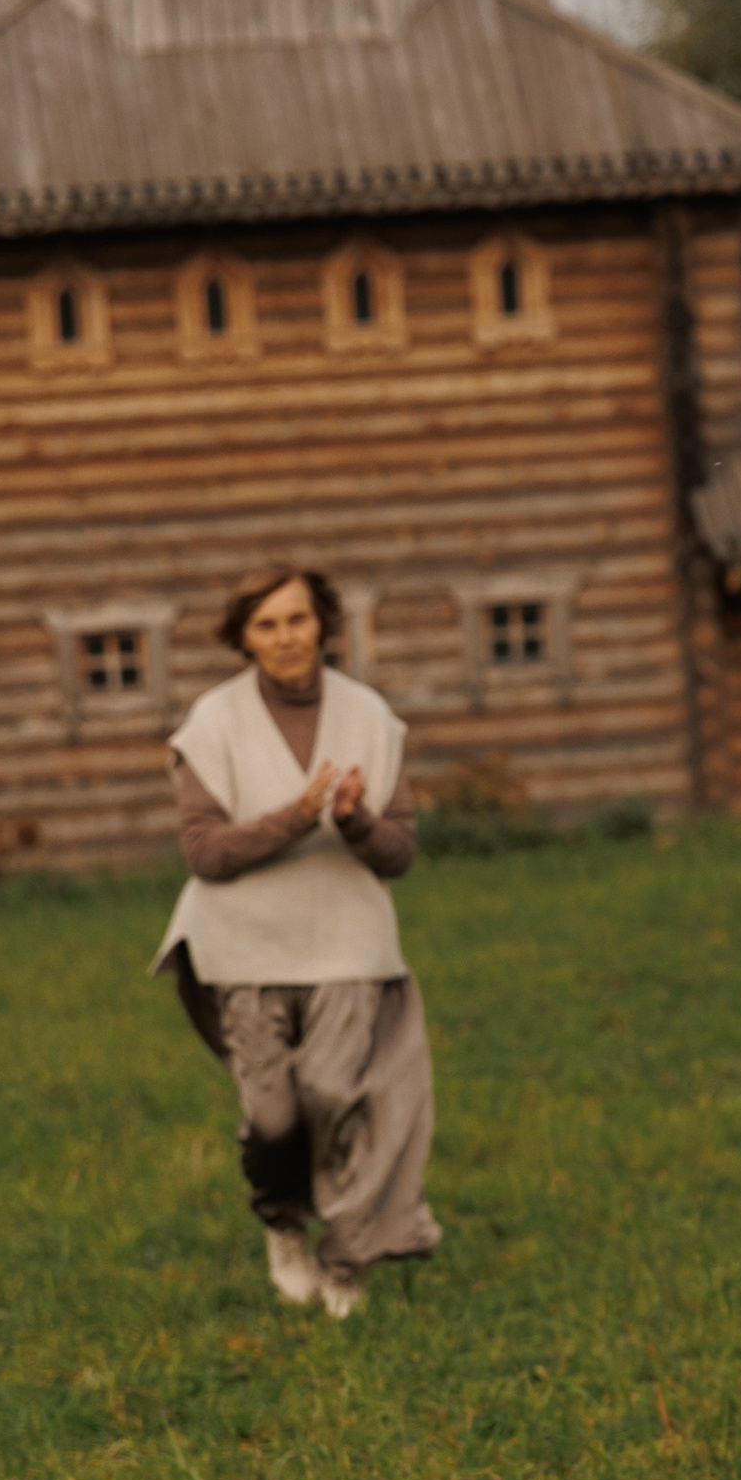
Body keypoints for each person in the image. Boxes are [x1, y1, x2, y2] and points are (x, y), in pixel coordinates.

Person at [154, 563, 439, 1320]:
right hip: (242, 945)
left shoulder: (371, 717)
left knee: (338, 1097)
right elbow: (206, 855)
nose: (286, 637)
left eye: (298, 619)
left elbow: (400, 854)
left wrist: (353, 821)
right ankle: (283, 1225)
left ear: (323, 624)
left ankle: (347, 1257)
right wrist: (297, 813)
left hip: (346, 941)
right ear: (244, 638)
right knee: (275, 1115)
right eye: (267, 625)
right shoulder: (213, 723)